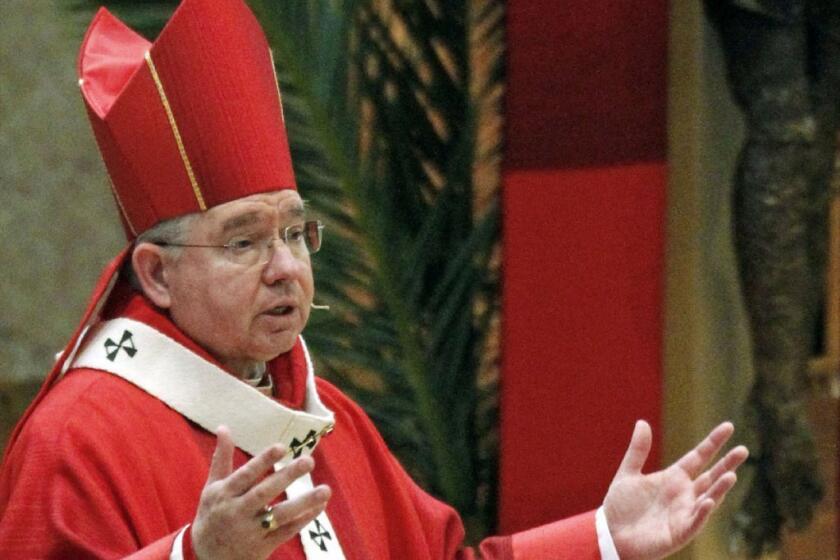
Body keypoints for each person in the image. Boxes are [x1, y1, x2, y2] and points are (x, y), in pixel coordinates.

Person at [0, 1, 749, 558]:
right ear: (156, 275)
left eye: (295, 232)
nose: (288, 266)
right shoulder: (77, 442)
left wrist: (602, 537)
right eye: (245, 241)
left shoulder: (324, 419)